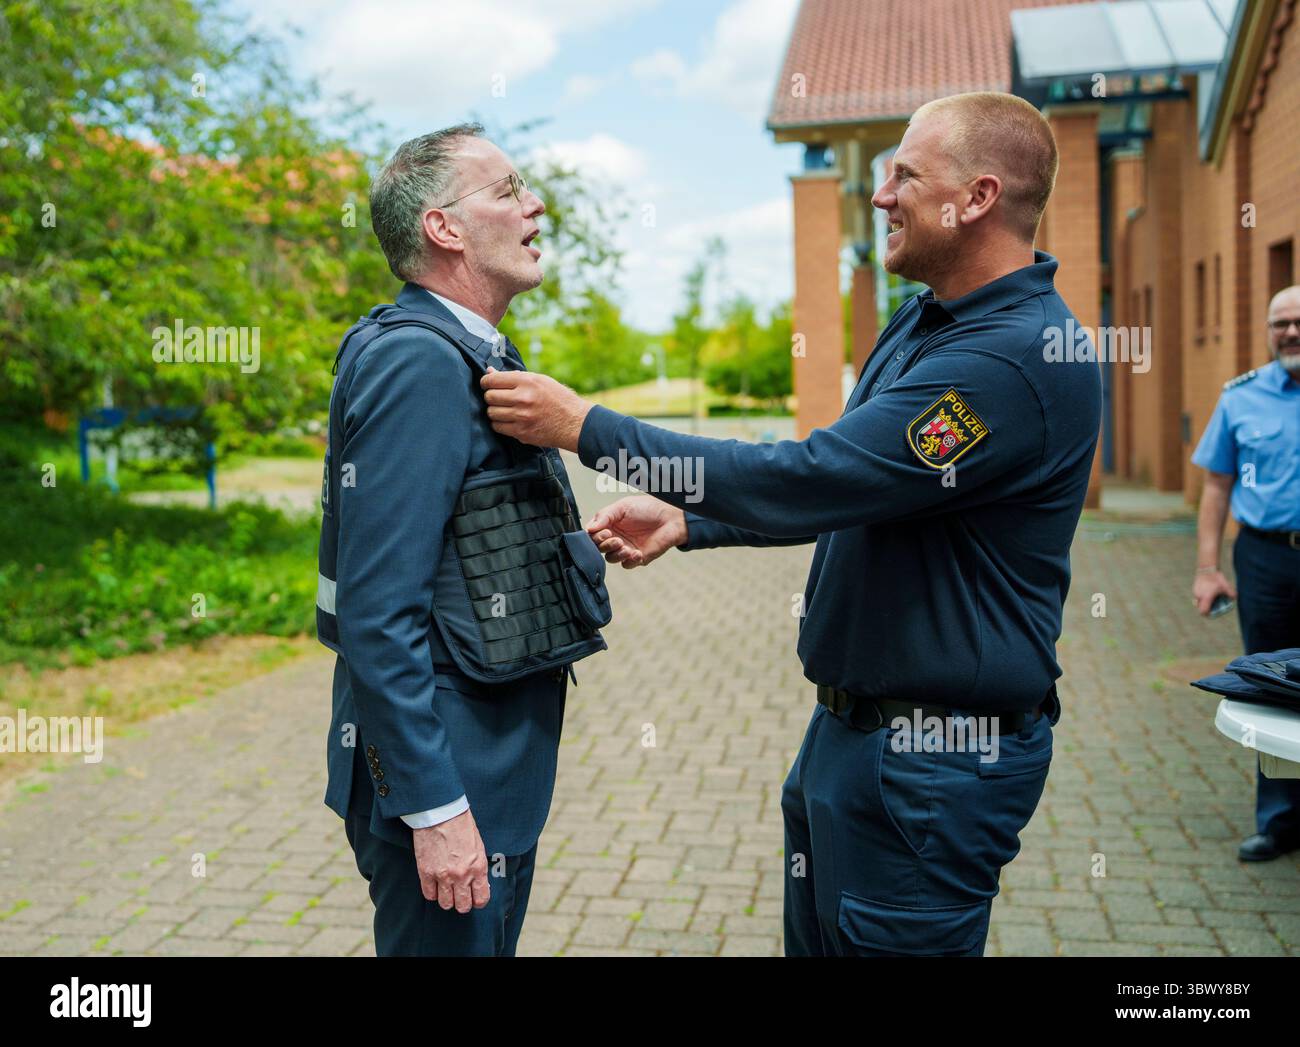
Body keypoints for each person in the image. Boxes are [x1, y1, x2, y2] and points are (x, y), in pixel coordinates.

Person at [480, 92, 1102, 955]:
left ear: (979, 197)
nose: (881, 196)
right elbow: (859, 484)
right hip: (854, 737)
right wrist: (692, 522)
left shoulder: (1010, 358)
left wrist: (588, 429)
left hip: (930, 764)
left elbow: (820, 479)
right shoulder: (929, 318)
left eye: (905, 177)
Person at [316, 124, 610, 956]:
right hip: (450, 783)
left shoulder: (468, 348)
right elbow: (378, 611)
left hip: (489, 773)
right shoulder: (417, 361)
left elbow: (450, 543)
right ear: (444, 228)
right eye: (508, 189)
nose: (535, 203)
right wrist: (436, 809)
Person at [1191, 284, 1300, 862]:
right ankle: (1279, 820)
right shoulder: (1242, 397)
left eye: (1298, 321)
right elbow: (1216, 486)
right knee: (1274, 689)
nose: (1290, 332)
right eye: (1279, 322)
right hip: (1265, 560)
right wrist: (1209, 568)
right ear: (1267, 330)